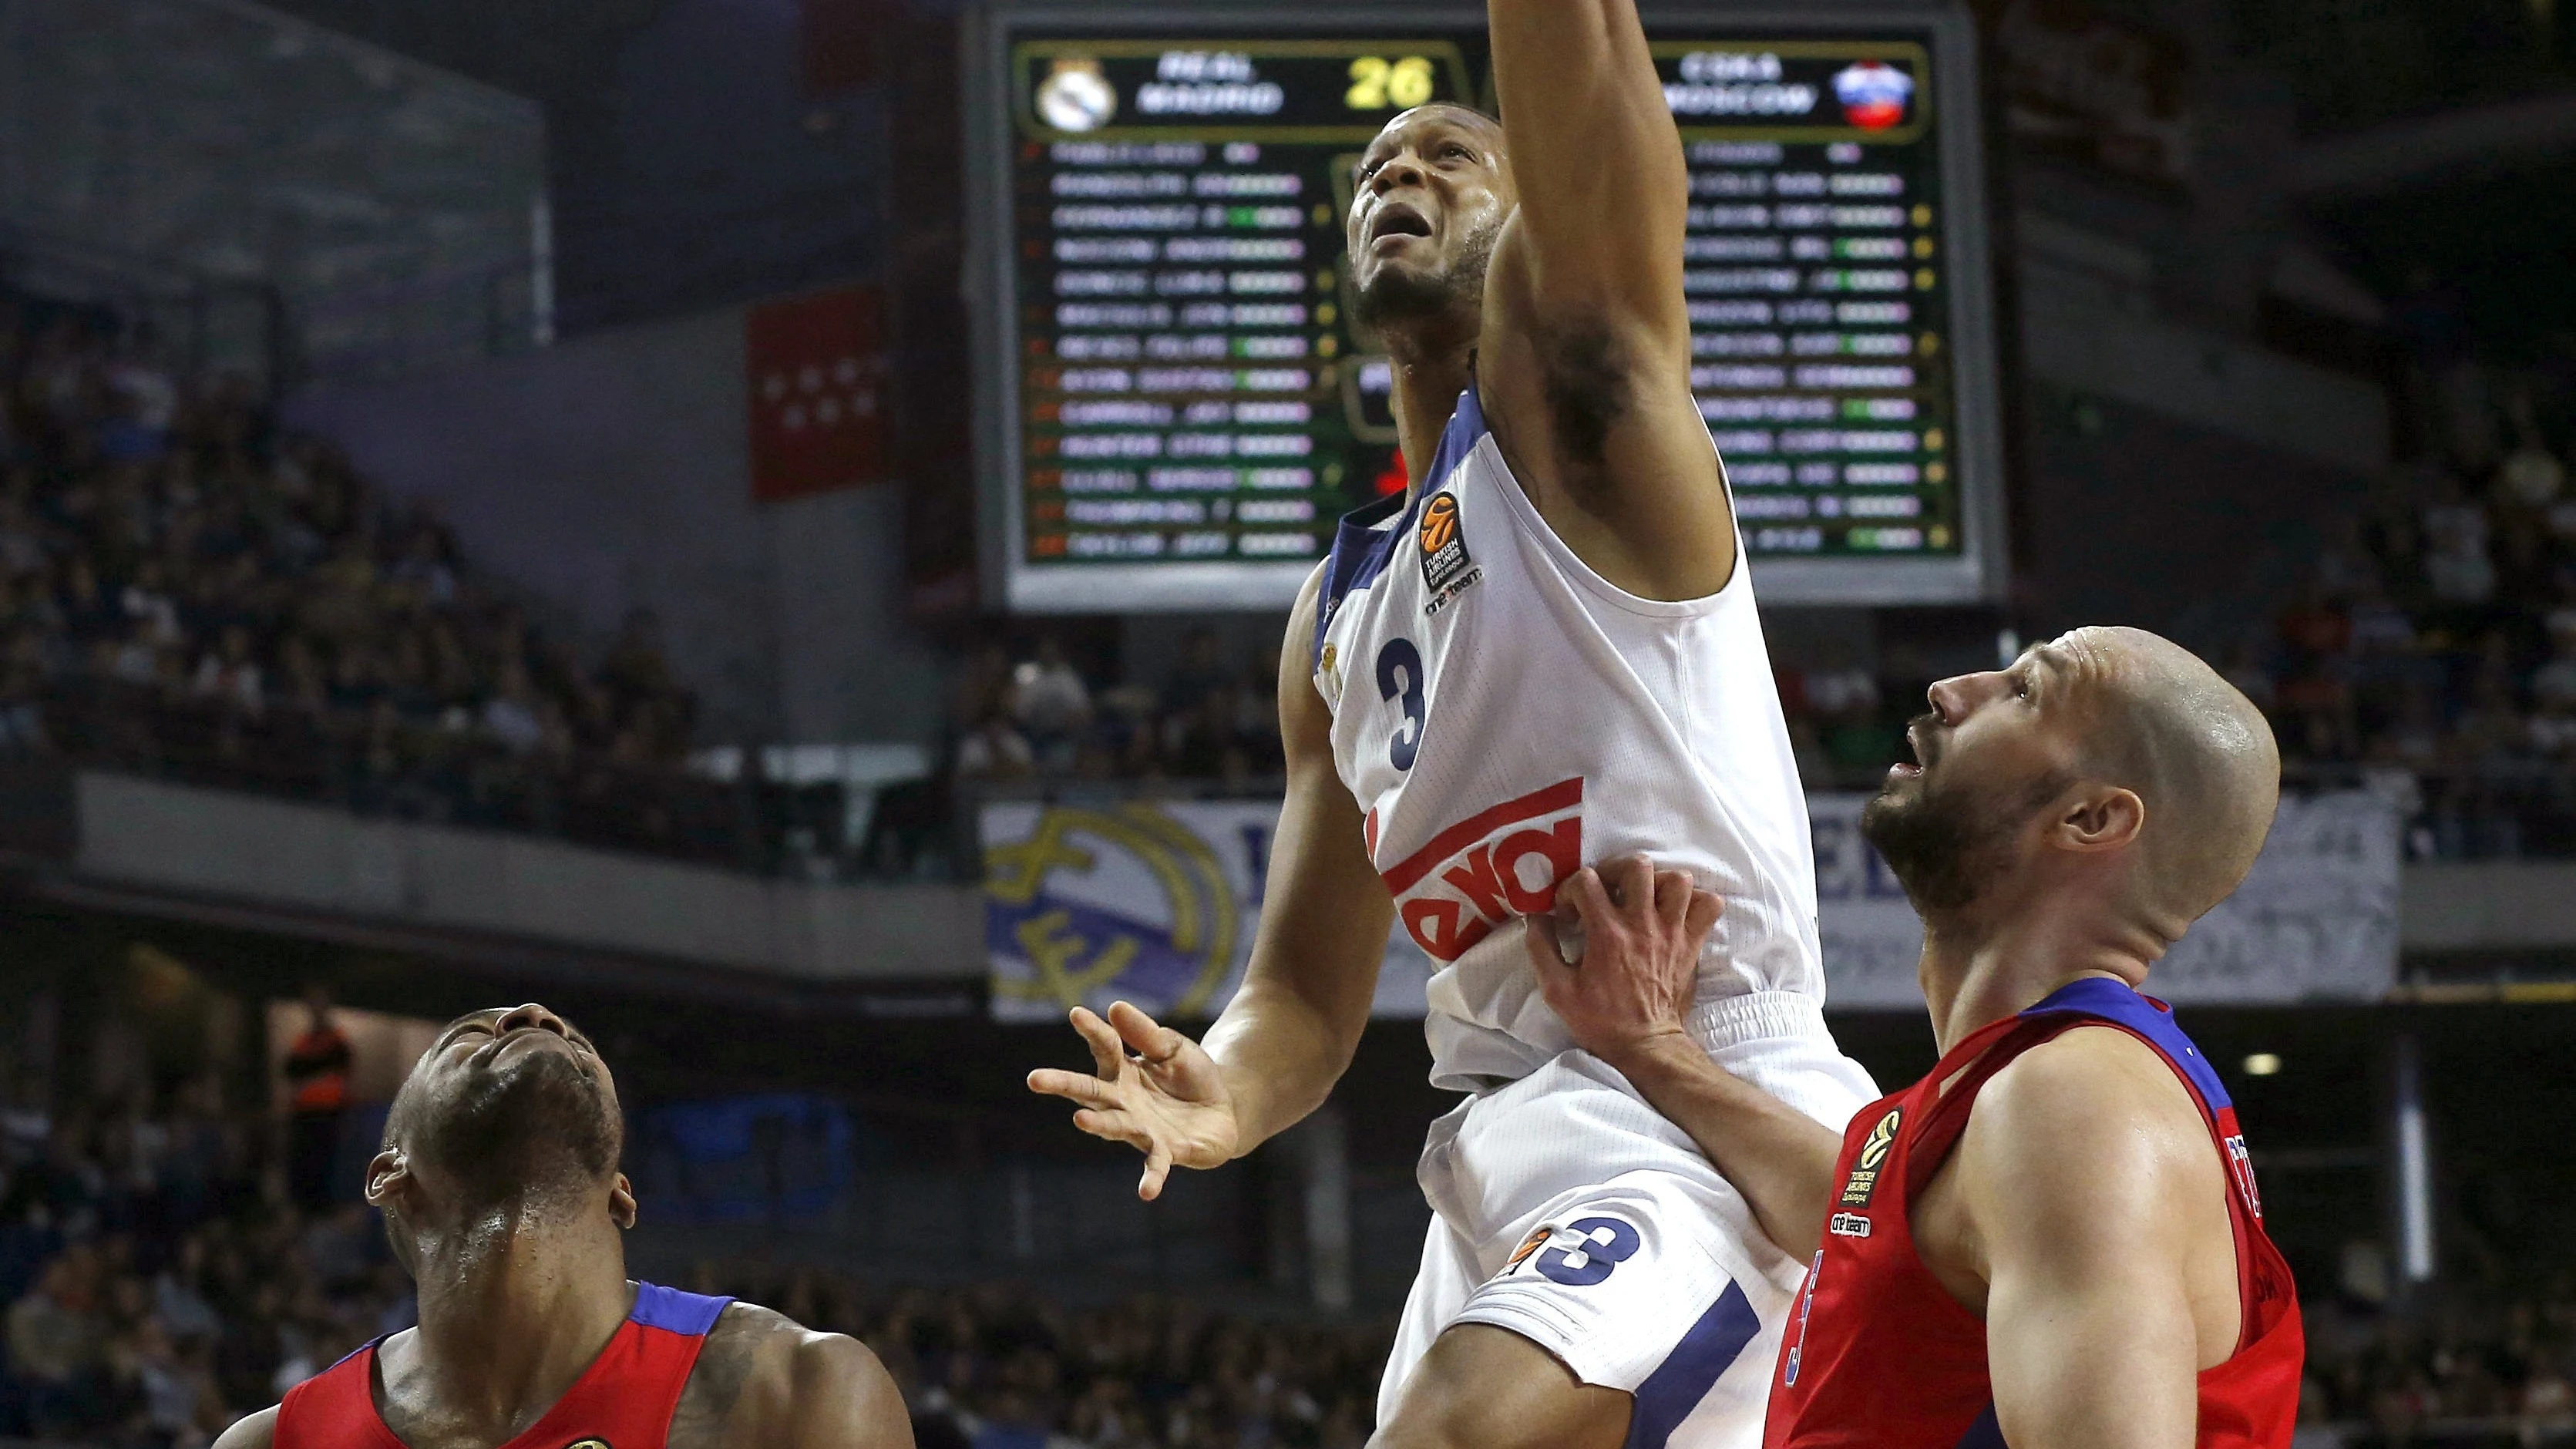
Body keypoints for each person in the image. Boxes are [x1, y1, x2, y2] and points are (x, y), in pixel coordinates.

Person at [1027, 2, 1876, 1443]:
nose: (1392, 180)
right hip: (1496, 1133)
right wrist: (1224, 1095)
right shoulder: (1331, 617)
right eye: (1370, 171)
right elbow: (1301, 992)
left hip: (1698, 1089)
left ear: (1532, 201)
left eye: (1445, 156)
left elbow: (1605, 151)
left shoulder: (1591, 436)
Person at [1532, 627, 2305, 1449]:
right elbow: (1870, 1225)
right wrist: (1655, 1047)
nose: (1950, 686)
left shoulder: (2074, 1103)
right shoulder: (2029, 1097)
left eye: (2024, 692)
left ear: (2090, 817)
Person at [217, 1002, 911, 1449]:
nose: (534, 1015)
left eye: (577, 1039)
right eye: (468, 1035)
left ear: (621, 1194)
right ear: (388, 1175)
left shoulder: (800, 1389)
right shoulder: (278, 1443)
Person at [280, 984, 353, 1213]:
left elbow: (339, 1065)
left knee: (326, 1170)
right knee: (304, 1170)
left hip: (329, 1115)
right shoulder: (303, 1042)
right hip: (305, 1115)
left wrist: (310, 1073)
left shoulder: (336, 1039)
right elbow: (291, 1070)